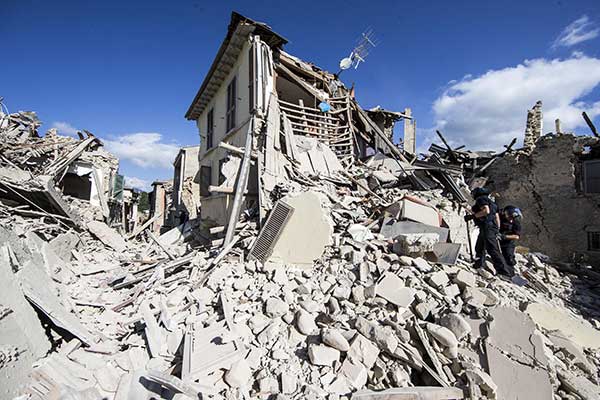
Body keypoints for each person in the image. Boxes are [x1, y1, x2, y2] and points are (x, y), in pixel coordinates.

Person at [464, 187, 512, 277]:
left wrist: (472, 217)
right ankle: (478, 265)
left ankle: (504, 272)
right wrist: (497, 229)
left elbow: (486, 211)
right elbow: (497, 217)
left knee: (492, 249)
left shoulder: (481, 199)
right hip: (490, 228)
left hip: (487, 227)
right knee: (479, 247)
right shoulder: (493, 203)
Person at [498, 205, 523, 271]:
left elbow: (516, 236)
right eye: (510, 218)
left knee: (509, 258)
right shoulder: (498, 215)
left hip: (508, 242)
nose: (511, 221)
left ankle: (511, 271)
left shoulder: (516, 222)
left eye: (513, 219)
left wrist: (504, 236)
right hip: (496, 238)